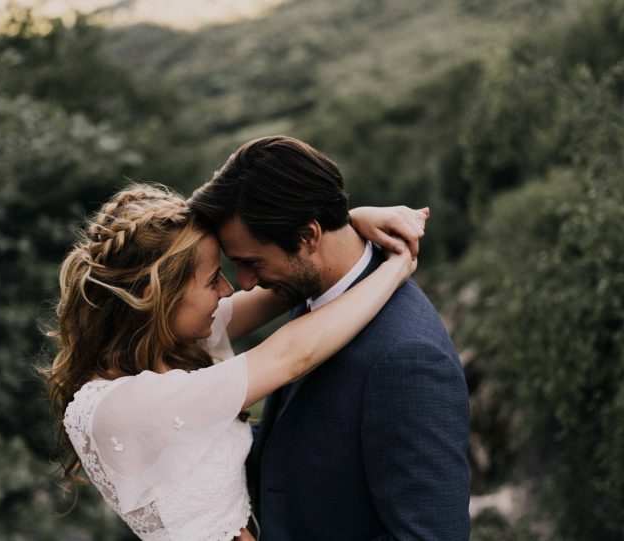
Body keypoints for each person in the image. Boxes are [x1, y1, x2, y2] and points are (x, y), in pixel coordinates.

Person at [43, 184, 427, 540]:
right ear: (155, 295)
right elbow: (292, 354)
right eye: (213, 281)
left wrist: (347, 224)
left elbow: (286, 283)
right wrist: (397, 265)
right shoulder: (126, 406)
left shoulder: (173, 345)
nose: (230, 289)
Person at [189, 135, 471, 540]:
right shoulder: (311, 291)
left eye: (250, 263)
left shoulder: (408, 357)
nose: (247, 283)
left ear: (307, 237)